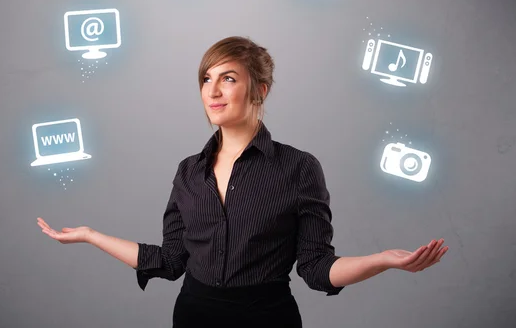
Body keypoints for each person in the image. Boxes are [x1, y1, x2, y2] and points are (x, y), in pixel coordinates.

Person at [37, 36, 449, 328]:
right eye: (206, 78)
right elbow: (170, 261)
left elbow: (317, 268)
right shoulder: (188, 171)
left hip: (266, 318)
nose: (213, 91)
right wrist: (91, 235)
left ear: (260, 90)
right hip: (193, 316)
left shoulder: (298, 168)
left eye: (228, 78)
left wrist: (382, 261)